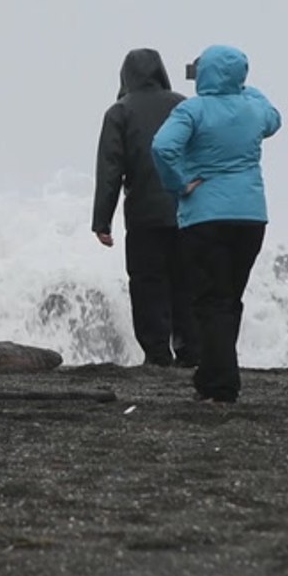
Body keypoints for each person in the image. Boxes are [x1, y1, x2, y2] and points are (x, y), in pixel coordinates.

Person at [151, 44, 281, 403]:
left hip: (205, 216)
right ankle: (213, 376)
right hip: (251, 217)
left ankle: (221, 383)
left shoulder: (192, 109)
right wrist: (245, 88)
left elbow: (162, 147)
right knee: (229, 300)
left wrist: (178, 184)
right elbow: (275, 117)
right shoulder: (254, 108)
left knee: (210, 301)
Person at [92, 48, 198, 368]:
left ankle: (156, 354)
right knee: (186, 281)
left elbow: (111, 170)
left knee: (147, 282)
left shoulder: (119, 112)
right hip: (187, 210)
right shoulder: (183, 105)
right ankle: (190, 350)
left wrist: (102, 221)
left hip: (144, 214)